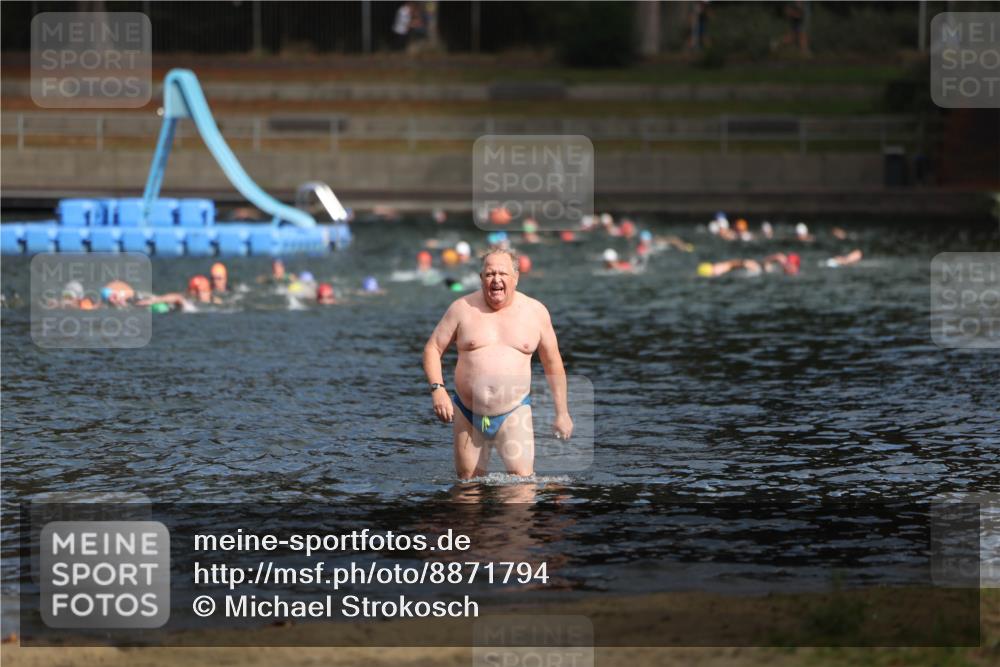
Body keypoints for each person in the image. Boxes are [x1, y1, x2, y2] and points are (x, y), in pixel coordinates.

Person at [423, 247, 573, 479]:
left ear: (515, 278)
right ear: (481, 278)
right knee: (468, 490)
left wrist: (562, 413)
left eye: (502, 274)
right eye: (490, 274)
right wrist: (437, 389)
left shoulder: (535, 312)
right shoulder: (462, 308)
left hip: (513, 411)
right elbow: (433, 349)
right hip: (467, 411)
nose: (496, 279)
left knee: (521, 488)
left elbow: (553, 364)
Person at [697, 258, 763, 278]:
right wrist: (744, 264)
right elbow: (731, 265)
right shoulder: (721, 268)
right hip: (712, 270)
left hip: (705, 269)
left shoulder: (720, 266)